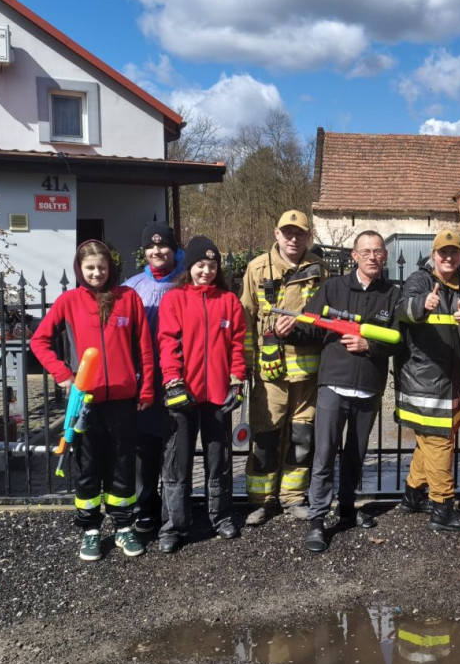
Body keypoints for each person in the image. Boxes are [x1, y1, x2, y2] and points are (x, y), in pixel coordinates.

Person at [31, 240, 154, 561]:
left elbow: (144, 349)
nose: (96, 273)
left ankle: (124, 527)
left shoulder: (129, 299)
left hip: (124, 401)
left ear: (110, 267)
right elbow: (39, 341)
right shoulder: (68, 301)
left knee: (123, 467)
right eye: (90, 268)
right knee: (87, 469)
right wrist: (62, 374)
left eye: (101, 267)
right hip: (85, 403)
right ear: (80, 270)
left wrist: (147, 389)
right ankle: (90, 531)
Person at [295, 230, 401, 553]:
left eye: (378, 251)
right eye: (366, 251)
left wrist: (369, 345)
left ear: (384, 256)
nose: (372, 257)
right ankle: (317, 520)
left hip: (368, 388)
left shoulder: (392, 294)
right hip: (334, 384)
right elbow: (310, 325)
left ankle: (346, 510)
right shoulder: (333, 287)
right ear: (353, 255)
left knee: (355, 454)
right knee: (324, 453)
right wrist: (287, 330)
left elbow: (399, 338)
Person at [156, 236, 246, 553]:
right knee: (177, 463)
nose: (205, 271)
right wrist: (173, 381)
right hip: (183, 395)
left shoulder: (229, 302)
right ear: (189, 267)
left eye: (211, 265)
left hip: (218, 395)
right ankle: (173, 526)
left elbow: (237, 346)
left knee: (218, 459)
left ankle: (220, 516)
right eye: (199, 265)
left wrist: (237, 381)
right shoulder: (174, 300)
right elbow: (168, 343)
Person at [240, 210, 327, 525]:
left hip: (308, 372)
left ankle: (292, 498)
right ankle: (262, 501)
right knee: (266, 436)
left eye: (299, 233)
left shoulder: (320, 269)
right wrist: (248, 367)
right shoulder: (257, 268)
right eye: (287, 232)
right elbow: (245, 320)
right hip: (270, 373)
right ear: (276, 233)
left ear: (308, 236)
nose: (293, 238)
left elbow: (325, 317)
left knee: (302, 438)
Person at [396, 229, 460, 532]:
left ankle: (411, 495)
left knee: (432, 439)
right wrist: (423, 305)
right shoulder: (420, 281)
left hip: (452, 378)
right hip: (425, 378)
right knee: (440, 441)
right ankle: (442, 507)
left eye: (454, 252)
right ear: (434, 255)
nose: (448, 257)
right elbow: (403, 310)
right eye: (443, 252)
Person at [122, 221, 186, 535]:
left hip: (179, 377)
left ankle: (175, 509)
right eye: (151, 246)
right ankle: (144, 507)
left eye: (163, 246)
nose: (157, 251)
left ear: (174, 249)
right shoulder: (132, 286)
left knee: (174, 447)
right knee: (144, 449)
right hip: (144, 377)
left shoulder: (187, 283)